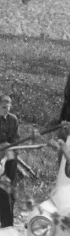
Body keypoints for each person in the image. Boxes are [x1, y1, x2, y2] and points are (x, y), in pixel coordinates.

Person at [0, 95, 20, 228]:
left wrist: (11, 146)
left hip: (10, 156)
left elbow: (16, 139)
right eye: (3, 107)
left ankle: (8, 222)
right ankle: (5, 220)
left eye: (8, 107)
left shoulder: (13, 119)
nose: (6, 110)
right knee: (3, 189)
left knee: (10, 188)